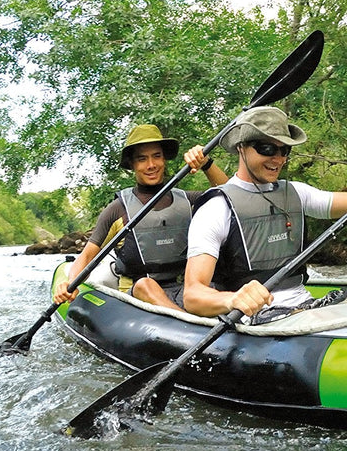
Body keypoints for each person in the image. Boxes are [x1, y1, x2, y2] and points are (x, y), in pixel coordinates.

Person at [183, 106, 347, 321]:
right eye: (267, 148)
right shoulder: (216, 207)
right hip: (255, 316)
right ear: (241, 147)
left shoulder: (296, 192)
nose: (278, 159)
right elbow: (193, 295)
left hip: (303, 305)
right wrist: (231, 300)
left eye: (284, 150)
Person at [54, 123, 229, 310]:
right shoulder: (117, 209)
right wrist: (69, 283)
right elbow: (87, 256)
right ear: (132, 165)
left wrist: (207, 164)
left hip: (184, 289)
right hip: (138, 295)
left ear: (164, 159)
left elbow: (229, 196)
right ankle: (188, 322)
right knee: (146, 285)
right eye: (142, 159)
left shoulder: (189, 201)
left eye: (157, 156)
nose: (151, 165)